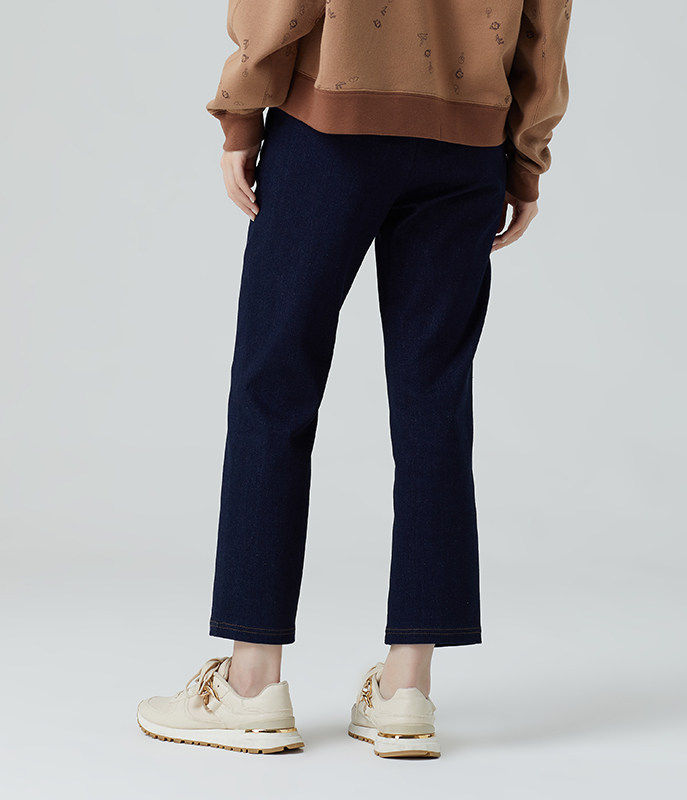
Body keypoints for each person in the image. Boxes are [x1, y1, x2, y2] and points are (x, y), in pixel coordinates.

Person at [137, 0, 572, 759]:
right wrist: (525, 155)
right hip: (468, 143)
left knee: (275, 386)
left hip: (329, 128)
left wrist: (240, 112)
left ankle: (250, 685)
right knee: (435, 399)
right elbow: (548, 14)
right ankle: (407, 692)